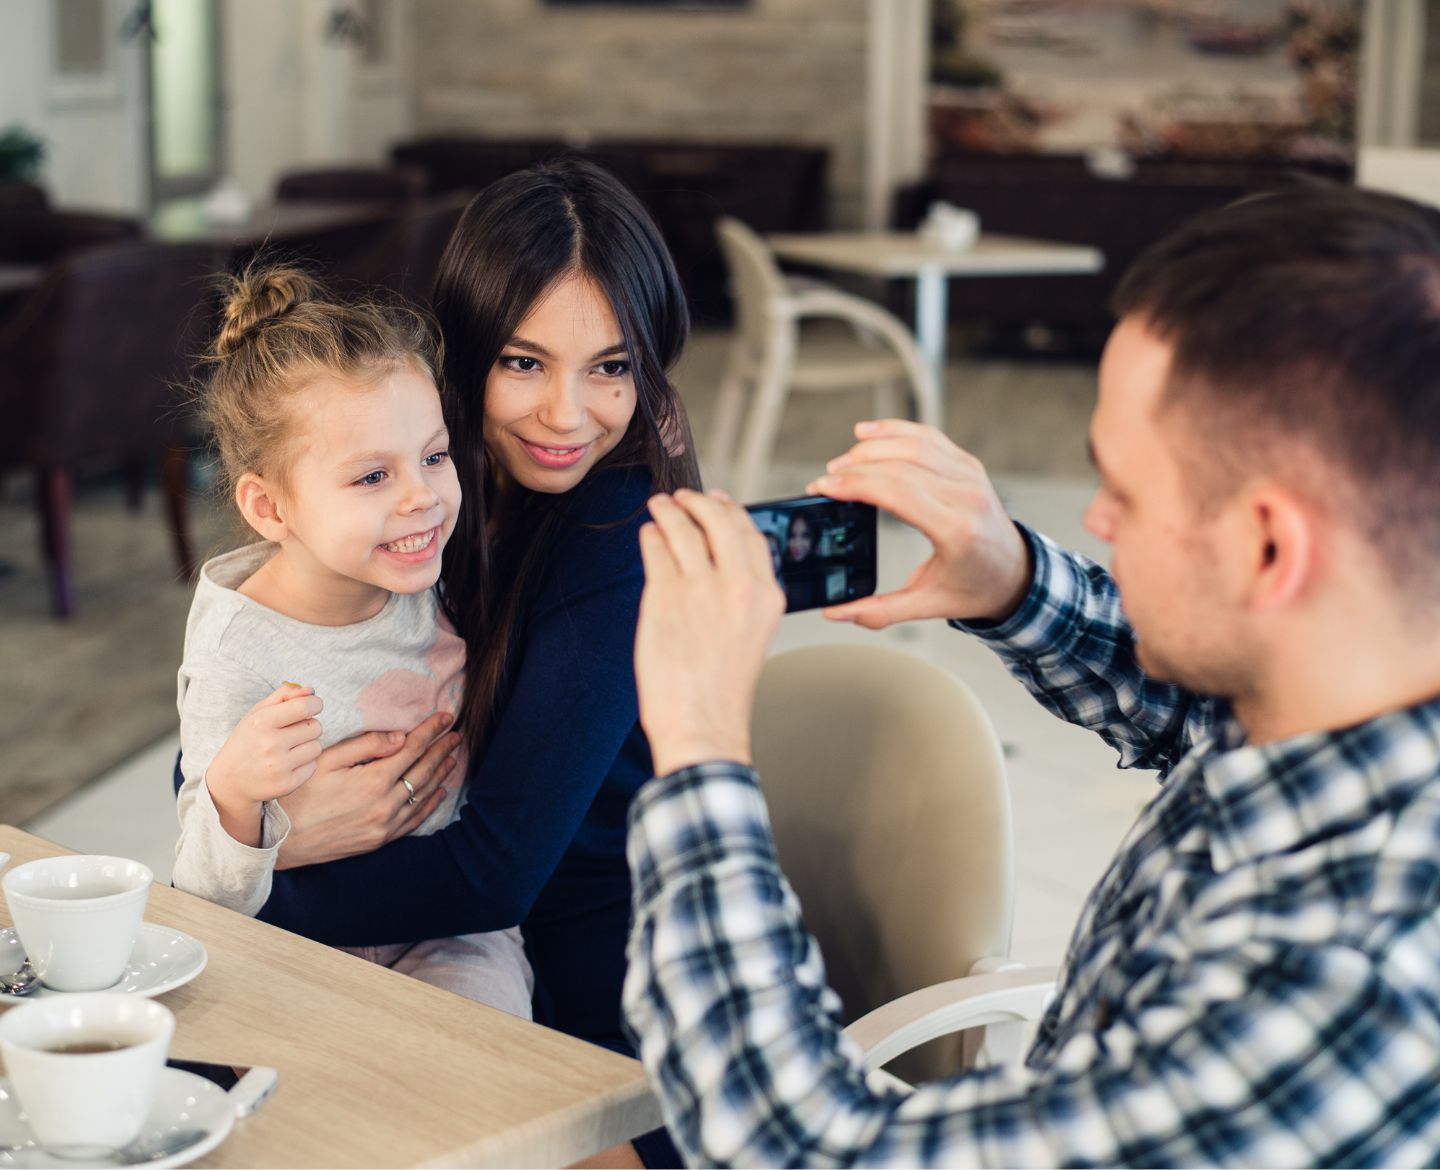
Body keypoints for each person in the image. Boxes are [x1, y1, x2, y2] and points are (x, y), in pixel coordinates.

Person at [621, 182, 1440, 1166]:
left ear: (1269, 548)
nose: (1095, 518)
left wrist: (701, 735)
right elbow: (1204, 710)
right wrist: (1010, 579)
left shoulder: (1343, 990)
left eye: (1126, 493)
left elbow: (804, 1152)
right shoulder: (1359, 678)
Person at [194, 159, 696, 1167]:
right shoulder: (431, 500)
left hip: (603, 991)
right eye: (524, 362)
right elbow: (223, 725)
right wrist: (246, 814)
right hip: (440, 952)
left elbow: (495, 875)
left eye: (610, 366)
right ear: (463, 357)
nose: (567, 414)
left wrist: (247, 885)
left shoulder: (613, 535)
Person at [173, 264, 532, 1017]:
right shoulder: (237, 649)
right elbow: (202, 887)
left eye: (434, 456)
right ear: (270, 508)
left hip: (450, 935)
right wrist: (236, 793)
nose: (421, 497)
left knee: (490, 1067)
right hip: (300, 942)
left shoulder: (421, 567)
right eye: (372, 476)